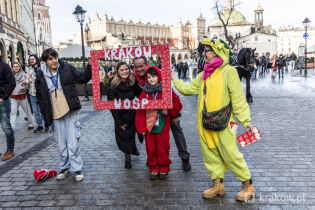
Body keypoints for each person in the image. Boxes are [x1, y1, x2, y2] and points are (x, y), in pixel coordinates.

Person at [172, 38, 255, 202]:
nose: (204, 53)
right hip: (205, 123)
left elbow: (238, 98)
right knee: (210, 154)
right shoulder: (204, 74)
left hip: (225, 122)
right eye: (204, 50)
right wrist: (173, 79)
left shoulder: (229, 72)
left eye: (207, 50)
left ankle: (248, 186)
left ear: (218, 52)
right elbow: (188, 90)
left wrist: (245, 121)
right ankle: (218, 185)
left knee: (231, 154)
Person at [35, 48, 91, 181]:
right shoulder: (40, 73)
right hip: (54, 111)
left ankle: (76, 169)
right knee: (61, 143)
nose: (54, 61)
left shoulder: (67, 67)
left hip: (70, 109)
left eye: (55, 57)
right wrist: (45, 115)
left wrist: (90, 65)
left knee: (72, 141)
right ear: (45, 61)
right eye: (50, 59)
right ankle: (64, 168)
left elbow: (83, 78)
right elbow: (40, 96)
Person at [133, 56, 191, 171]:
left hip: (164, 113)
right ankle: (153, 160)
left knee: (176, 130)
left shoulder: (157, 73)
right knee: (152, 141)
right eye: (136, 66)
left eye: (141, 66)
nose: (139, 69)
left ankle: (185, 158)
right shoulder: (134, 76)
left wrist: (174, 114)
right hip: (149, 113)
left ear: (147, 64)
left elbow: (171, 96)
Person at [135, 66, 182, 180]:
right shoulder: (144, 93)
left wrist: (169, 109)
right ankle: (154, 168)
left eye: (154, 76)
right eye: (149, 77)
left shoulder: (166, 91)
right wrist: (141, 128)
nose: (151, 79)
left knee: (163, 147)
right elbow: (140, 111)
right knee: (150, 148)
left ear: (159, 77)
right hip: (149, 125)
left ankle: (164, 167)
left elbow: (177, 103)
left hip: (162, 124)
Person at [107, 62, 139, 169]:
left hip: (132, 114)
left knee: (131, 136)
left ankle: (131, 152)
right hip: (120, 115)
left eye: (126, 69)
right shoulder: (113, 84)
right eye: (122, 70)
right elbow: (111, 105)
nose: (125, 71)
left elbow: (140, 94)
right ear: (117, 72)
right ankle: (127, 156)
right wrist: (119, 121)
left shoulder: (133, 81)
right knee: (123, 137)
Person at [10, 62, 34, 130]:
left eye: (17, 66)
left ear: (19, 67)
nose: (15, 67)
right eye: (14, 66)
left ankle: (31, 123)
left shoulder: (24, 74)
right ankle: (12, 127)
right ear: (12, 67)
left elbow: (28, 83)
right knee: (13, 112)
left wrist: (24, 88)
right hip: (13, 96)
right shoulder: (11, 75)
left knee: (27, 110)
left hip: (22, 95)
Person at [0, 57, 16, 161]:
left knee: (6, 126)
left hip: (2, 101)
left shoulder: (4, 66)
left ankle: (10, 150)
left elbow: (12, 82)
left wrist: (3, 97)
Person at [26, 54, 46, 133]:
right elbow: (28, 79)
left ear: (36, 59)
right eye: (30, 59)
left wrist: (33, 80)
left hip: (41, 92)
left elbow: (43, 79)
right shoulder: (29, 69)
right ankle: (40, 125)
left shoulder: (41, 68)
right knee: (35, 111)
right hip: (32, 92)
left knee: (43, 110)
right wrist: (25, 82)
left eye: (33, 59)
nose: (31, 60)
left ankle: (46, 124)